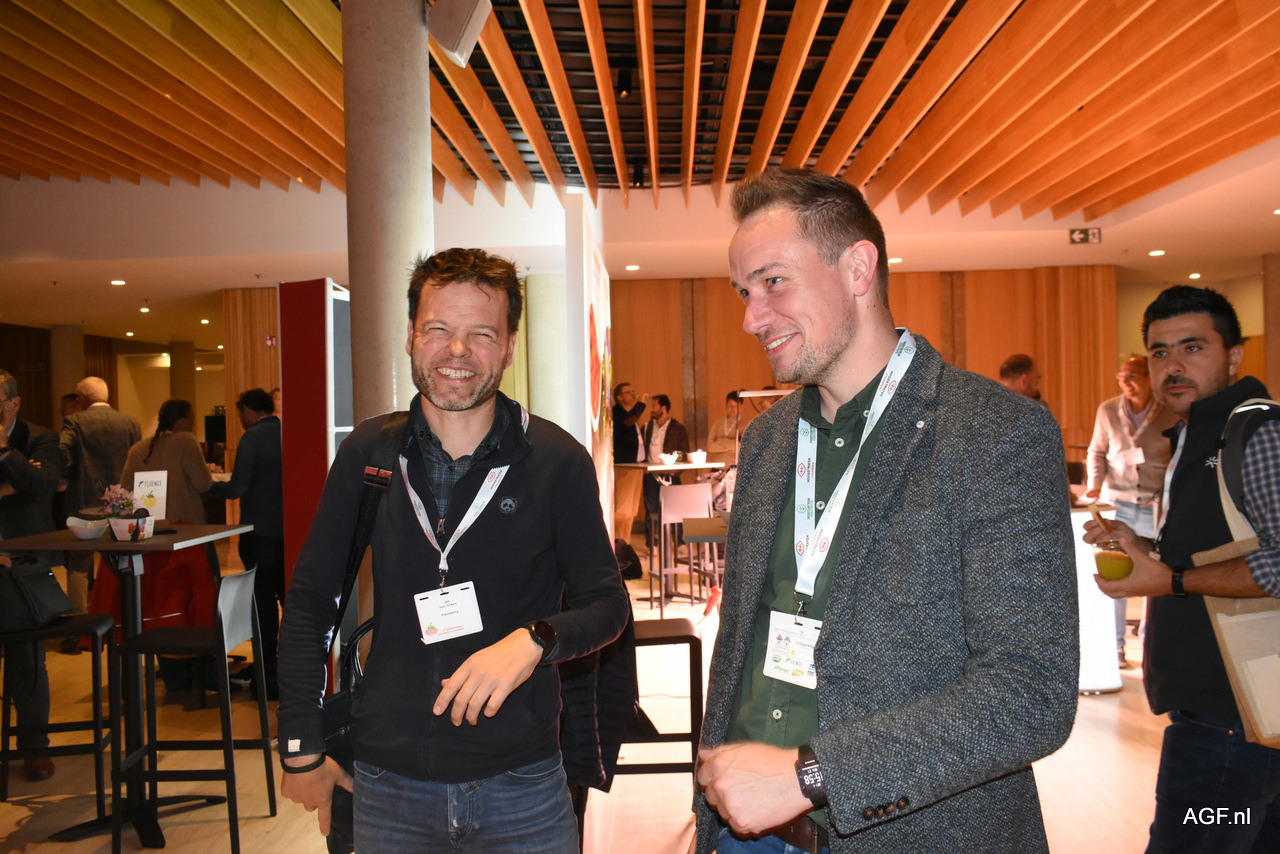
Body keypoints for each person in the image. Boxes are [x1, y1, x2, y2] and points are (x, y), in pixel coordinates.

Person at [695, 167, 1077, 854]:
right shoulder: (767, 441)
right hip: (743, 831)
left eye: (774, 282)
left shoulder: (995, 433)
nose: (752, 317)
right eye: (744, 292)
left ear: (858, 268)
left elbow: (1031, 692)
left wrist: (815, 775)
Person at [276, 247, 629, 852]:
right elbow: (310, 601)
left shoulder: (556, 461)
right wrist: (300, 746)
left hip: (523, 785)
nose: (457, 351)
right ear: (411, 337)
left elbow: (607, 604)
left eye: (481, 334)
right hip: (389, 784)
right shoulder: (370, 454)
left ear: (509, 346)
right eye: (438, 329)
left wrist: (534, 640)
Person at [1083, 285, 1280, 852]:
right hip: (1229, 713)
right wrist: (1142, 546)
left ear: (1234, 356)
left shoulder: (1256, 433)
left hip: (1231, 717)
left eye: (1193, 347)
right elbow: (1217, 545)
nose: (1172, 365)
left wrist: (1167, 580)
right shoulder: (1199, 432)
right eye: (1159, 352)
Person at [1083, 356, 1180, 668]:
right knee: (1116, 575)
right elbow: (1097, 451)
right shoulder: (1108, 409)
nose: (1126, 382)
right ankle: (1116, 648)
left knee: (1158, 573)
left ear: (1149, 377)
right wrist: (1095, 484)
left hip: (1154, 505)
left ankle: (1153, 644)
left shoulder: (1169, 411)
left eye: (1133, 376)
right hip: (1117, 504)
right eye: (1122, 376)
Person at [0, 370, 61, 781]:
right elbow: (27, 482)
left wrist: (7, 452)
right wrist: (12, 484)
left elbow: (42, 487)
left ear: (14, 403)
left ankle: (34, 747)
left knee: (27, 660)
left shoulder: (40, 438)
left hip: (23, 564)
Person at [210, 388, 283, 696]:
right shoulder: (285, 431)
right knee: (287, 600)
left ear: (250, 410)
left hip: (259, 532)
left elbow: (238, 487)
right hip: (287, 532)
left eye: (240, 412)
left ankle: (265, 672)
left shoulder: (252, 438)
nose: (240, 418)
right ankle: (287, 669)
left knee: (262, 605)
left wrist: (209, 487)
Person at [59, 376, 141, 621]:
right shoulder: (130, 422)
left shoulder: (75, 421)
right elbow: (139, 459)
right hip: (123, 503)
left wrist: (70, 473)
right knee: (122, 561)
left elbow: (62, 450)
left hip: (84, 501)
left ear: (83, 398)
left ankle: (78, 623)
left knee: (78, 564)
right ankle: (123, 615)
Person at [121, 399, 214, 524]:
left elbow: (124, 490)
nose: (193, 424)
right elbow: (203, 484)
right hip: (184, 521)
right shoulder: (186, 441)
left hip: (147, 523)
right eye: (192, 419)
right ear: (181, 422)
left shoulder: (138, 449)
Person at [612, 382, 648, 541]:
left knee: (632, 510)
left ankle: (625, 544)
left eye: (634, 391)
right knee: (623, 509)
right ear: (620, 397)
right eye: (629, 392)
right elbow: (628, 422)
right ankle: (616, 544)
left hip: (637, 466)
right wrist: (641, 405)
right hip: (625, 466)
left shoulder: (630, 414)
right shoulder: (617, 413)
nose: (634, 394)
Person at [707, 391, 742, 457]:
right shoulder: (717, 423)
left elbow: (743, 447)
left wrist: (720, 441)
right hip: (717, 462)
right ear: (726, 405)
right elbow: (710, 447)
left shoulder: (746, 425)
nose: (733, 408)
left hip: (735, 462)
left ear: (740, 406)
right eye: (731, 405)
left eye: (736, 406)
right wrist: (732, 445)